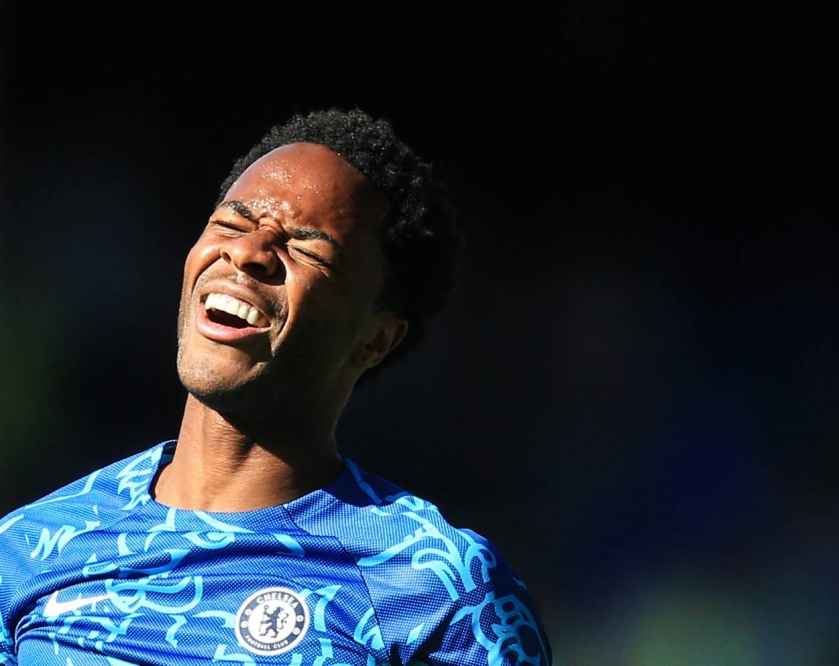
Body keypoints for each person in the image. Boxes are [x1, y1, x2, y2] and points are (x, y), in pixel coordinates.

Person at [0, 108, 551, 665]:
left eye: (306, 250)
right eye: (232, 225)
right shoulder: (29, 550)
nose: (247, 253)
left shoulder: (439, 590)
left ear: (375, 340)